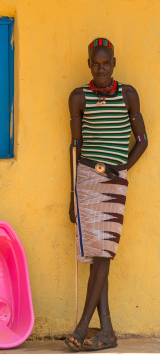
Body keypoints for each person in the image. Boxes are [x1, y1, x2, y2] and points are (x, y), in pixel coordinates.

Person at [65, 38, 148, 351]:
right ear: (89, 63)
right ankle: (108, 331)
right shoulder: (78, 97)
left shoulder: (128, 95)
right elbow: (75, 146)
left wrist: (122, 167)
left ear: (114, 63)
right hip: (86, 178)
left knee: (104, 253)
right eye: (96, 63)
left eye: (106, 63)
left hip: (114, 184)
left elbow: (142, 140)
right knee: (97, 256)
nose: (101, 69)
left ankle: (83, 326)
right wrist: (72, 194)